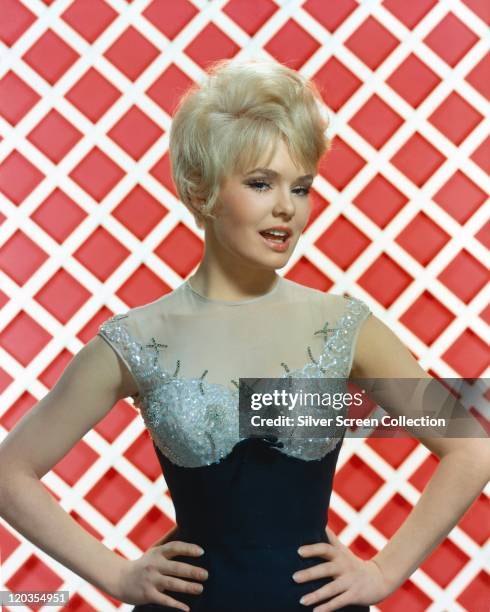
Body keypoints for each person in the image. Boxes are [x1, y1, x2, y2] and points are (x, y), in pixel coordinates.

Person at [0, 59, 488, 612]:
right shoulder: (138, 339)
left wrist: (382, 572)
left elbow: (470, 448)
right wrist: (116, 574)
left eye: (301, 187)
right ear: (201, 189)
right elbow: (8, 473)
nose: (287, 206)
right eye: (261, 183)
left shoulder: (341, 325)